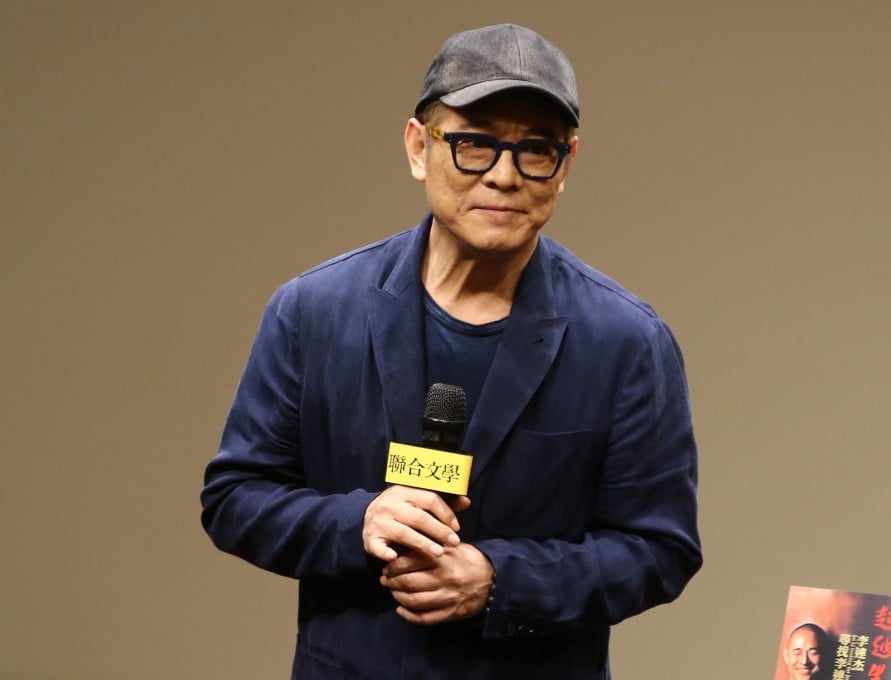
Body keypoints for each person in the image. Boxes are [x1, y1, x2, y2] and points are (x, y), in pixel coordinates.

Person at [200, 22, 702, 680]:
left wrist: (498, 579)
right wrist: (360, 522)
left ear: (566, 164)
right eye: (474, 144)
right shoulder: (315, 311)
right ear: (418, 147)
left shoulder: (625, 341)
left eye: (535, 152)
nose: (503, 175)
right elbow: (235, 498)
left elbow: (659, 549)